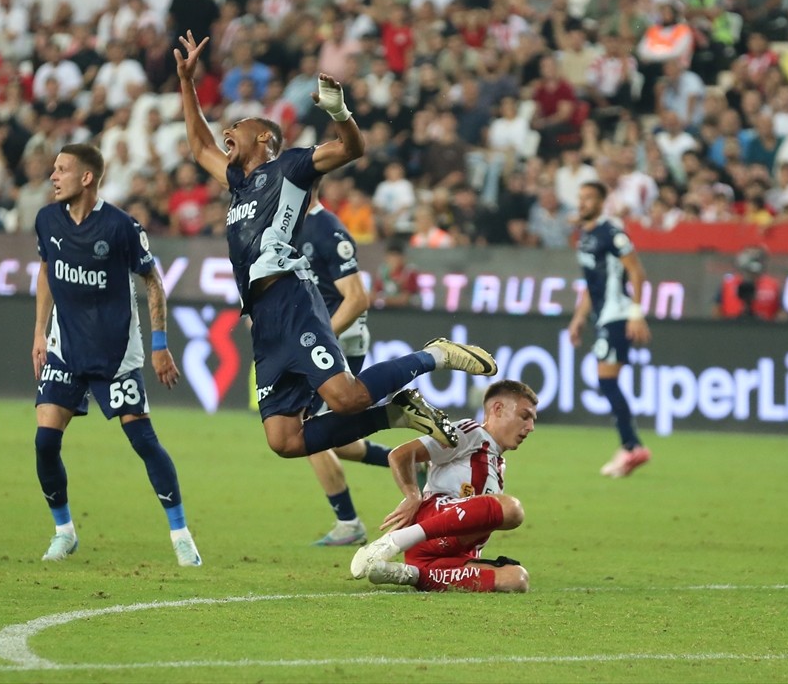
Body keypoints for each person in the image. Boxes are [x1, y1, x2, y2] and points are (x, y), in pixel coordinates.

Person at [175, 31, 498, 460]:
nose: (228, 130)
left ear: (265, 140)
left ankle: (434, 355)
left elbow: (352, 147)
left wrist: (340, 112)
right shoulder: (238, 185)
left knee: (346, 397)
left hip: (292, 299)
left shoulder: (289, 168)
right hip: (264, 318)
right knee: (285, 441)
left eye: (240, 126)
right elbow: (199, 146)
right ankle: (397, 414)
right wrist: (186, 81)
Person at [31, 144, 201, 567]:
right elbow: (47, 270)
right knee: (45, 441)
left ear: (86, 178)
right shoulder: (47, 219)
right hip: (64, 348)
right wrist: (39, 330)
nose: (53, 176)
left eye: (62, 169)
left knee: (143, 441)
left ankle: (181, 535)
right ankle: (63, 532)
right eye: (53, 169)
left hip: (115, 354)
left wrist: (160, 346)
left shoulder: (121, 227)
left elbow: (153, 282)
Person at [349, 380, 538, 593]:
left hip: (451, 557)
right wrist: (413, 495)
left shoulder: (498, 463)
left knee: (517, 579)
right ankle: (392, 541)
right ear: (498, 409)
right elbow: (401, 455)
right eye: (525, 416)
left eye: (532, 420)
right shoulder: (472, 433)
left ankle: (411, 575)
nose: (530, 427)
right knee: (511, 509)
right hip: (429, 529)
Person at [300, 179, 393, 547]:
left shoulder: (328, 229)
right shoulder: (289, 225)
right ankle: (408, 459)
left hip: (338, 340)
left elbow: (357, 299)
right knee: (332, 437)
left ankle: (348, 522)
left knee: (305, 430)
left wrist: (321, 336)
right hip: (317, 339)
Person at [568, 181, 653, 478]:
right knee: (607, 381)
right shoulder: (584, 236)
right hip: (602, 316)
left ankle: (632, 446)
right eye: (580, 197)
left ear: (602, 202)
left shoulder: (612, 233)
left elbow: (637, 272)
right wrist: (578, 319)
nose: (582, 203)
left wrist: (636, 313)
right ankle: (630, 446)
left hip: (618, 313)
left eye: (589, 198)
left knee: (607, 381)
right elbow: (592, 285)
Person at [714, 246, 782, 320]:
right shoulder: (729, 283)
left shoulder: (772, 285)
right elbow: (717, 309)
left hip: (765, 327)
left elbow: (780, 312)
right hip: (732, 326)